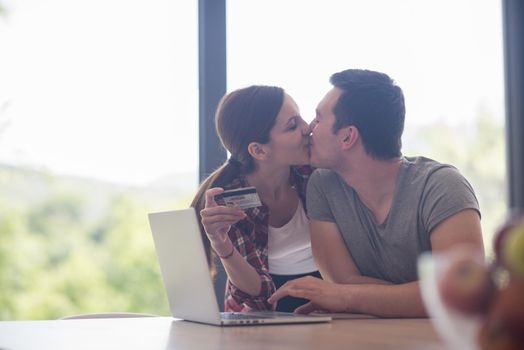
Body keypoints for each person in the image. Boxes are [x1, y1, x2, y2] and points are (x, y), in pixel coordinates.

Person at [268, 69, 484, 317]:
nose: (309, 129)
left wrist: (348, 297)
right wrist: (422, 296)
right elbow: (342, 282)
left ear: (348, 136)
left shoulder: (443, 186)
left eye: (318, 119)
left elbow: (460, 293)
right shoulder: (323, 185)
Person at [191, 85, 320, 312]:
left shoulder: (313, 175)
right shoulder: (228, 202)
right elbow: (259, 297)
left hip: (324, 304)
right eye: (292, 125)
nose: (307, 127)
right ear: (259, 151)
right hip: (261, 318)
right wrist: (222, 246)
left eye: (300, 118)